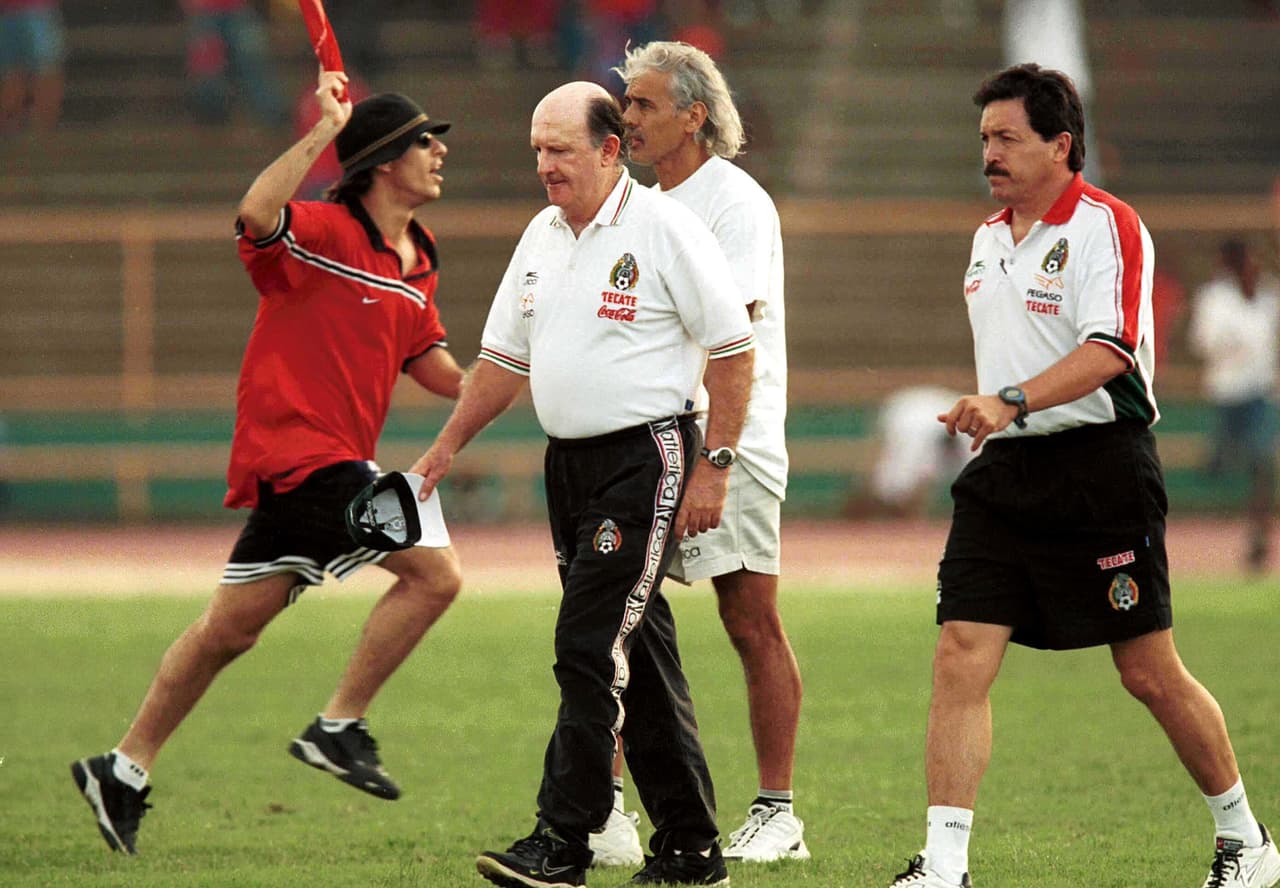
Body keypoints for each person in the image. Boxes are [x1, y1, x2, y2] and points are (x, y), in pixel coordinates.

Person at [888, 63, 1280, 888]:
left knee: (1147, 671)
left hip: (1101, 470)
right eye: (983, 138)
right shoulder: (986, 237)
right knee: (961, 650)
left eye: (1006, 137)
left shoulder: (1109, 226)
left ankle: (1245, 840)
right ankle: (946, 866)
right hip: (1005, 473)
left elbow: (1111, 353)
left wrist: (1009, 399)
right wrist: (996, 411)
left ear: (1060, 144)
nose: (988, 153)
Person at [70, 72, 465, 856]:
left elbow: (436, 369)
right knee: (437, 575)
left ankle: (122, 769)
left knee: (227, 632)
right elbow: (256, 214)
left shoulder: (418, 258)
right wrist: (324, 130)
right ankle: (338, 726)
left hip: (330, 467)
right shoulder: (317, 232)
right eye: (425, 139)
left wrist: (527, 373)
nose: (439, 151)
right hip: (301, 457)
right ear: (386, 159)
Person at [409, 80, 753, 888]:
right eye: (537, 150)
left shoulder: (667, 230)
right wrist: (445, 446)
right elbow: (503, 359)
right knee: (640, 651)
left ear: (609, 148)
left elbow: (734, 350)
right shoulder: (541, 235)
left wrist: (717, 465)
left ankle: (563, 840)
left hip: (649, 457)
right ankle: (692, 848)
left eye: (559, 149)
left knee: (588, 645)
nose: (544, 166)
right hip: (569, 468)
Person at [611, 39, 807, 865]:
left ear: (694, 114)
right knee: (613, 622)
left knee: (748, 618)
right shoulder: (633, 202)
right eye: (626, 104)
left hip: (731, 438)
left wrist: (713, 459)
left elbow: (724, 334)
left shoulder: (736, 204)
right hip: (650, 435)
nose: (628, 119)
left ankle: (777, 810)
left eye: (645, 104)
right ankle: (605, 808)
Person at [1187, 238, 1280, 572]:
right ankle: (1201, 537)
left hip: (1260, 393)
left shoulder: (1269, 295)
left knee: (1261, 460)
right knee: (1220, 467)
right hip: (1226, 393)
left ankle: (1258, 537)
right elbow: (1204, 342)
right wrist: (1235, 343)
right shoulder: (1214, 299)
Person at [845, 385, 975, 520]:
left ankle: (890, 517)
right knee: (894, 485)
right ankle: (859, 519)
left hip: (930, 419)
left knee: (897, 485)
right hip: (914, 418)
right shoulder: (910, 425)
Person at [0, 0, 65, 132]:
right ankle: (12, 127)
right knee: (12, 74)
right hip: (10, 13)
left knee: (45, 71)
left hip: (37, 12)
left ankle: (43, 129)